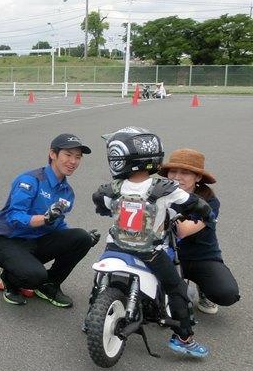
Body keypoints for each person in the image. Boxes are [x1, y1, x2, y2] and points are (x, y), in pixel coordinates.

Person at [92, 128, 215, 358]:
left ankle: (92, 317)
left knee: (100, 277)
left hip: (115, 248)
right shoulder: (164, 189)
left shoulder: (113, 189)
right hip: (149, 252)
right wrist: (206, 215)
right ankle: (183, 338)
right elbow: (197, 206)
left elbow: (100, 204)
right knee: (177, 289)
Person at [0, 134, 100, 307]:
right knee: (34, 276)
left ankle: (50, 285)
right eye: (68, 155)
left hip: (37, 243)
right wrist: (45, 218)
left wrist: (83, 240)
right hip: (9, 242)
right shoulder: (30, 180)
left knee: (82, 238)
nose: (73, 161)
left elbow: (58, 225)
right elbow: (14, 217)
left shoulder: (67, 193)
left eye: (78, 157)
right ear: (53, 154)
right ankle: (9, 280)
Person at [158, 148, 239, 315]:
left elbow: (183, 231)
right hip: (164, 255)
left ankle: (203, 289)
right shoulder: (157, 193)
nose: (177, 177)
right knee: (155, 304)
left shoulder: (209, 201)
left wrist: (167, 203)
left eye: (185, 173)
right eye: (173, 171)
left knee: (226, 294)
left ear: (198, 177)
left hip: (200, 258)